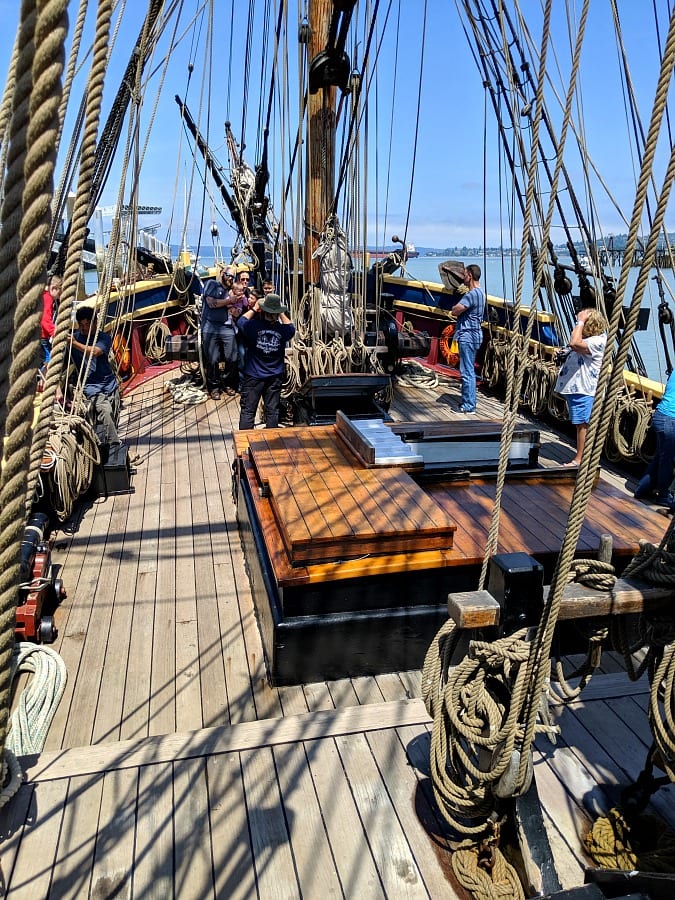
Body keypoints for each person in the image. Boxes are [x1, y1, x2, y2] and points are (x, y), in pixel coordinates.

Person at [554, 307, 608, 466]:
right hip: (578, 389)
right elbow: (573, 347)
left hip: (585, 390)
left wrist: (580, 321)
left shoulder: (597, 341)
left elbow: (574, 343)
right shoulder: (591, 339)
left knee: (583, 425)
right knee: (580, 425)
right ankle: (582, 457)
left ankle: (580, 460)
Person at [237, 293, 295, 430]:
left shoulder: (253, 326)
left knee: (248, 411)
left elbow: (240, 322)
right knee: (272, 411)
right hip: (274, 376)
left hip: (253, 376)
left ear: (263, 310)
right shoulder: (283, 330)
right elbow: (291, 327)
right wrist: (281, 313)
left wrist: (254, 308)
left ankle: (245, 445)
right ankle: (271, 444)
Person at [69, 306, 121, 446]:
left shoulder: (104, 338)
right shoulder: (73, 339)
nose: (84, 328)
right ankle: (115, 447)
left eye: (87, 324)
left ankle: (110, 441)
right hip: (92, 387)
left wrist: (74, 344)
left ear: (95, 323)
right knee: (105, 411)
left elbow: (95, 352)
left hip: (110, 385)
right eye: (81, 325)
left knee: (113, 417)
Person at [634, 370, 675, 506]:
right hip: (670, 419)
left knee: (661, 457)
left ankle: (642, 489)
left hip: (661, 416)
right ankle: (663, 495)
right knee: (667, 460)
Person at [450, 263, 485, 413]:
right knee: (469, 370)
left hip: (468, 336)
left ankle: (469, 405)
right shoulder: (481, 293)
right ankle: (469, 402)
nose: (463, 277)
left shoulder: (472, 294)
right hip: (475, 335)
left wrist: (454, 308)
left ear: (470, 275)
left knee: (467, 371)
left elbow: (456, 310)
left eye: (465, 274)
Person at [201, 267, 237, 399]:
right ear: (222, 274)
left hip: (227, 328)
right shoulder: (211, 284)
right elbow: (211, 303)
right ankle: (214, 387)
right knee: (212, 359)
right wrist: (229, 301)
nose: (231, 279)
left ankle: (227, 383)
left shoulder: (232, 290)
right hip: (210, 327)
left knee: (232, 357)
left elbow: (235, 309)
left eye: (233, 277)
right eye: (229, 275)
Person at [40, 274, 62, 367]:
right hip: (42, 337)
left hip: (41, 337)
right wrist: (54, 333)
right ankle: (44, 381)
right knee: (50, 360)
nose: (59, 297)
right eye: (59, 293)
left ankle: (42, 379)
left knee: (45, 358)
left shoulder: (43, 296)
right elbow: (45, 319)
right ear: (53, 288)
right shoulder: (48, 298)